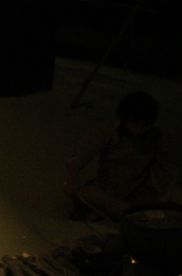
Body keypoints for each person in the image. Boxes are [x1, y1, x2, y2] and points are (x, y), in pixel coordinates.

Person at [63, 91, 174, 223]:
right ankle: (135, 217)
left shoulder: (154, 136)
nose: (139, 130)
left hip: (139, 193)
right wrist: (73, 176)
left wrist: (163, 197)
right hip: (109, 190)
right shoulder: (108, 131)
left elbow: (166, 169)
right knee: (87, 194)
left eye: (144, 126)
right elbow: (80, 152)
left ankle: (128, 215)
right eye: (134, 124)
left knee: (164, 206)